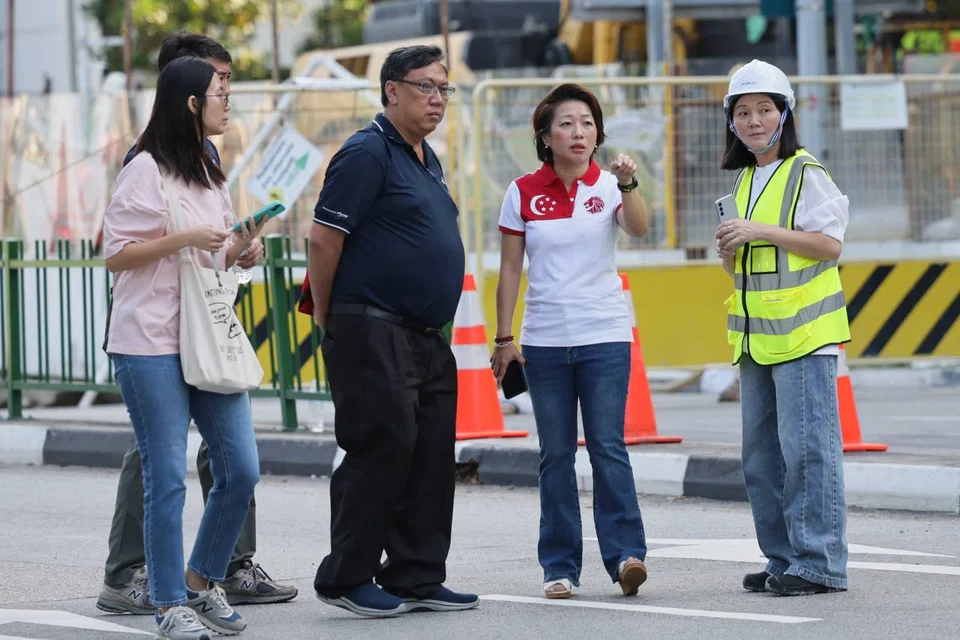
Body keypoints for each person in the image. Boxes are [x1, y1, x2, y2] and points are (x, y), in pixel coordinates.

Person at [97, 31, 297, 617]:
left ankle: (196, 579)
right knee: (168, 477)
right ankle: (167, 603)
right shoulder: (145, 168)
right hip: (150, 341)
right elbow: (116, 254)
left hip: (205, 338)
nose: (227, 101)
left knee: (240, 470)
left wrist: (241, 250)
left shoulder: (210, 168)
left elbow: (215, 254)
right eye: (219, 90)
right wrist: (185, 237)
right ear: (190, 102)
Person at [306, 44, 478, 618]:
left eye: (443, 87)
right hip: (371, 327)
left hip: (425, 334)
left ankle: (415, 574)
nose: (437, 98)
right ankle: (347, 576)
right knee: (382, 447)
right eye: (425, 86)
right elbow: (324, 241)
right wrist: (334, 320)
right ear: (391, 90)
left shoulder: (425, 158)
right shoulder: (366, 152)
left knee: (430, 455)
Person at [490, 83, 651, 600]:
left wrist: (629, 184)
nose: (578, 132)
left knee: (608, 447)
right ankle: (559, 566)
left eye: (587, 123)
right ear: (545, 135)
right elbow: (511, 268)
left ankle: (627, 555)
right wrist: (504, 337)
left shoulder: (610, 185)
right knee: (556, 454)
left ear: (598, 134)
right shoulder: (522, 192)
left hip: (604, 334)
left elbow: (641, 228)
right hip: (544, 341)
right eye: (566, 123)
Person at [715, 59, 851, 597]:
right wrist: (731, 250)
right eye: (742, 112)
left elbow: (830, 244)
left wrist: (760, 230)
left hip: (804, 336)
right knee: (761, 458)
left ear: (784, 114)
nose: (753, 121)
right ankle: (783, 559)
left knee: (808, 453)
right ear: (731, 122)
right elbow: (749, 263)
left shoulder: (805, 173)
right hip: (756, 340)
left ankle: (820, 562)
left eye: (764, 110)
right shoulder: (746, 179)